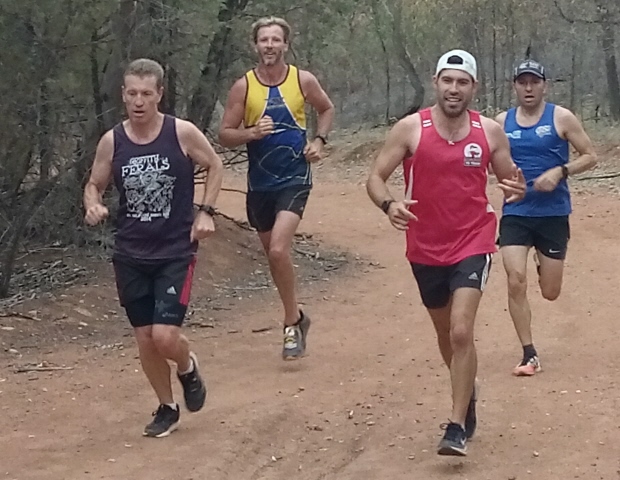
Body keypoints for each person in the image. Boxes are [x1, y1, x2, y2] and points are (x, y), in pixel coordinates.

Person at [367, 50, 526, 456]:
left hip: (474, 239)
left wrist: (516, 189)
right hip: (424, 246)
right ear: (435, 82)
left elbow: (510, 179)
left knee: (460, 331)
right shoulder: (410, 129)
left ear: (474, 88)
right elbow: (376, 177)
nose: (454, 89)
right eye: (448, 81)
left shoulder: (489, 132)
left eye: (463, 82)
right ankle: (466, 393)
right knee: (444, 334)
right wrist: (389, 204)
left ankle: (456, 426)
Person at [83, 58, 224, 437]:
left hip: (175, 250)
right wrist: (93, 204)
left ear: (160, 94)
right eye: (132, 93)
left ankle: (187, 367)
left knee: (164, 336)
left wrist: (206, 212)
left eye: (146, 93)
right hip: (130, 253)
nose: (139, 101)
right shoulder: (113, 140)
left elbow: (214, 164)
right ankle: (167, 407)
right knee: (144, 337)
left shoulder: (181, 132)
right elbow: (94, 183)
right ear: (123, 95)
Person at [218, 16, 335, 360]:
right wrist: (251, 133)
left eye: (275, 40)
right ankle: (297, 315)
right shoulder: (243, 87)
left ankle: (289, 324)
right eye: (264, 40)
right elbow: (224, 135)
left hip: (295, 177)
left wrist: (319, 140)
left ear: (285, 44)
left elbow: (326, 109)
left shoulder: (302, 80)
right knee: (274, 255)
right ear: (255, 45)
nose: (269, 45)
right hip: (260, 184)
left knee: (279, 250)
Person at [495, 60, 597, 376]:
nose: (528, 88)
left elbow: (590, 156)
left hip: (553, 213)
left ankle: (543, 262)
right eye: (522, 82)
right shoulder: (500, 122)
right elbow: (487, 161)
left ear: (544, 86)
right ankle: (529, 354)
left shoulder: (561, 117)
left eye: (534, 82)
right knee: (515, 279)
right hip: (515, 212)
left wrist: (560, 171)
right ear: (514, 86)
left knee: (551, 292)